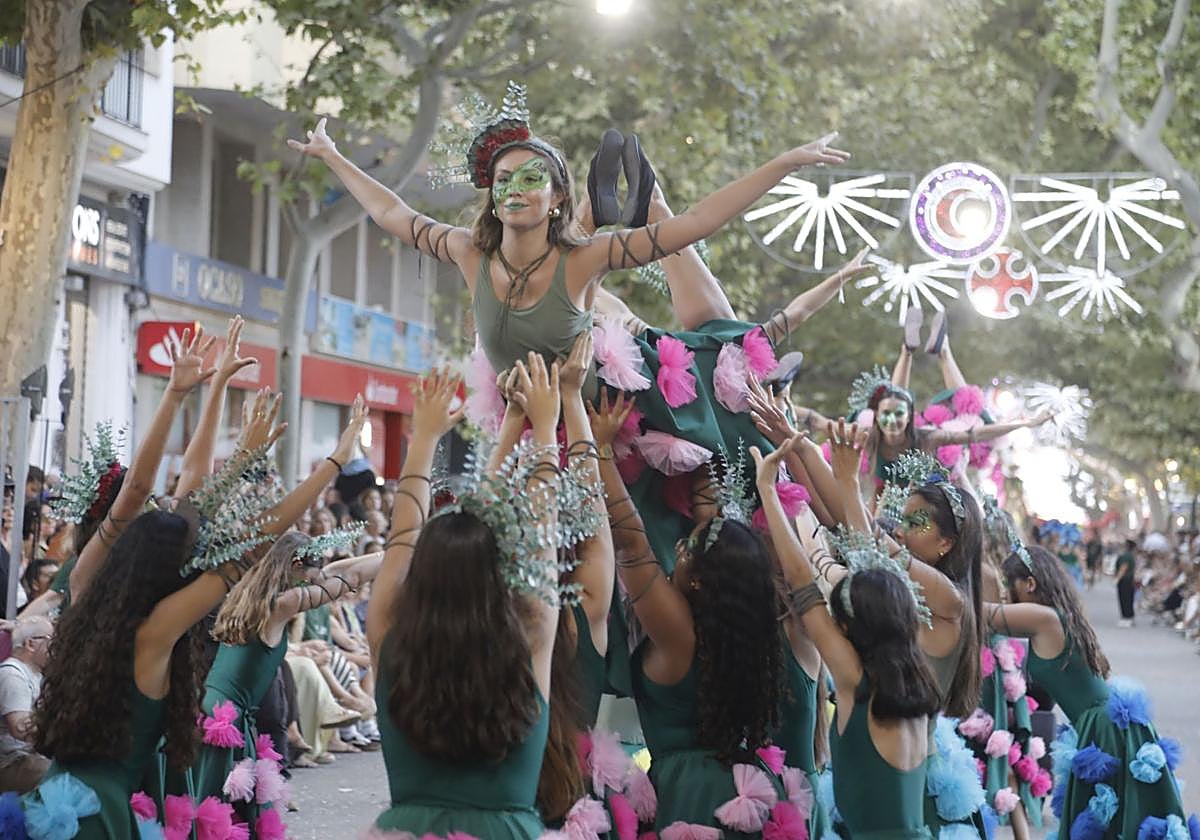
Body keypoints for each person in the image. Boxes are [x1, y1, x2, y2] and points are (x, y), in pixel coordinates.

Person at [25, 352, 287, 837]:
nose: (159, 505)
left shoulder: (93, 584)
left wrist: (193, 394)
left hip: (100, 770)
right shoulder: (136, 606)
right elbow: (185, 493)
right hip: (126, 775)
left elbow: (188, 485)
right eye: (149, 506)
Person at [367, 362, 566, 838]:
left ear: (419, 574)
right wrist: (543, 429)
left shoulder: (389, 636)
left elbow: (401, 536)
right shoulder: (532, 631)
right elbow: (542, 533)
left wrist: (424, 438)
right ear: (503, 577)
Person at [587, 389, 791, 838]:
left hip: (691, 796)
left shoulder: (679, 629)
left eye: (685, 550)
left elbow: (632, 542)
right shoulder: (744, 626)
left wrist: (601, 447)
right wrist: (692, 447)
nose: (677, 547)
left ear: (699, 580)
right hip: (740, 785)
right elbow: (716, 539)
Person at [754, 433, 941, 839]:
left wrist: (769, 491)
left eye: (838, 617)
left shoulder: (860, 682)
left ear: (854, 627)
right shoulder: (917, 684)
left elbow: (803, 587)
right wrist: (847, 483)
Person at [989, 545, 1195, 839]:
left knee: (1116, 821)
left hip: (1106, 729)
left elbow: (979, 612)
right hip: (1102, 726)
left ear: (1030, 583)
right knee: (1113, 820)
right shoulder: (1053, 616)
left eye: (1010, 585)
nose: (1006, 594)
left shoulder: (1045, 618)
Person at [0, 615, 53, 793]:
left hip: (29, 756)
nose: (56, 647)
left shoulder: (38, 675)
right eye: (51, 640)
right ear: (30, 644)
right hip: (10, 761)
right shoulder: (12, 674)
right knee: (59, 776)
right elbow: (21, 729)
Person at [1115, 538, 1138, 627]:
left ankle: (1126, 617)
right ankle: (1130, 617)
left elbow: (1123, 568)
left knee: (1124, 598)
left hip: (1124, 580)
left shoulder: (1126, 556)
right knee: (1129, 599)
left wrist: (1117, 578)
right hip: (1130, 580)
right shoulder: (1131, 556)